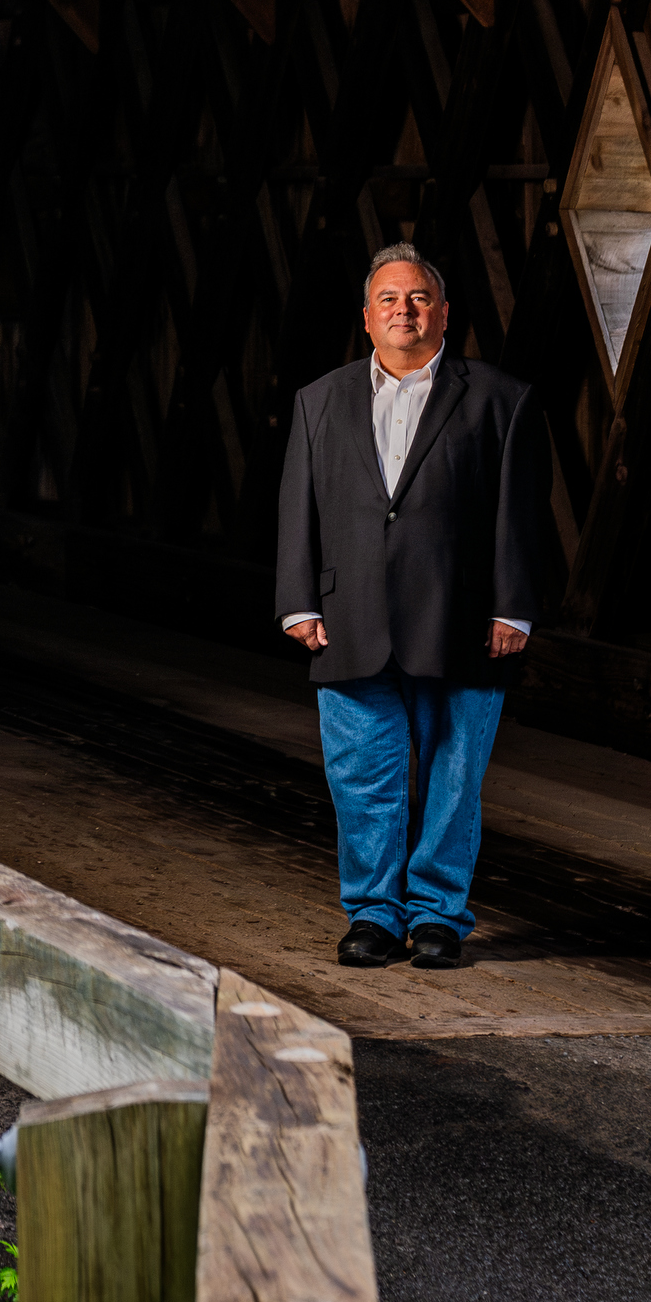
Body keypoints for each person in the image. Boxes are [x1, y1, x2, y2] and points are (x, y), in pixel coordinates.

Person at [272, 243, 546, 971]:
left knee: (453, 781)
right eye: (389, 299)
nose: (405, 310)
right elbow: (298, 505)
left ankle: (437, 917)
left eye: (419, 298)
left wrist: (514, 607)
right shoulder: (319, 399)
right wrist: (296, 600)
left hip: (462, 620)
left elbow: (521, 512)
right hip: (350, 618)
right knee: (361, 779)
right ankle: (372, 915)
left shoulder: (500, 398)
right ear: (367, 317)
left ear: (444, 313)